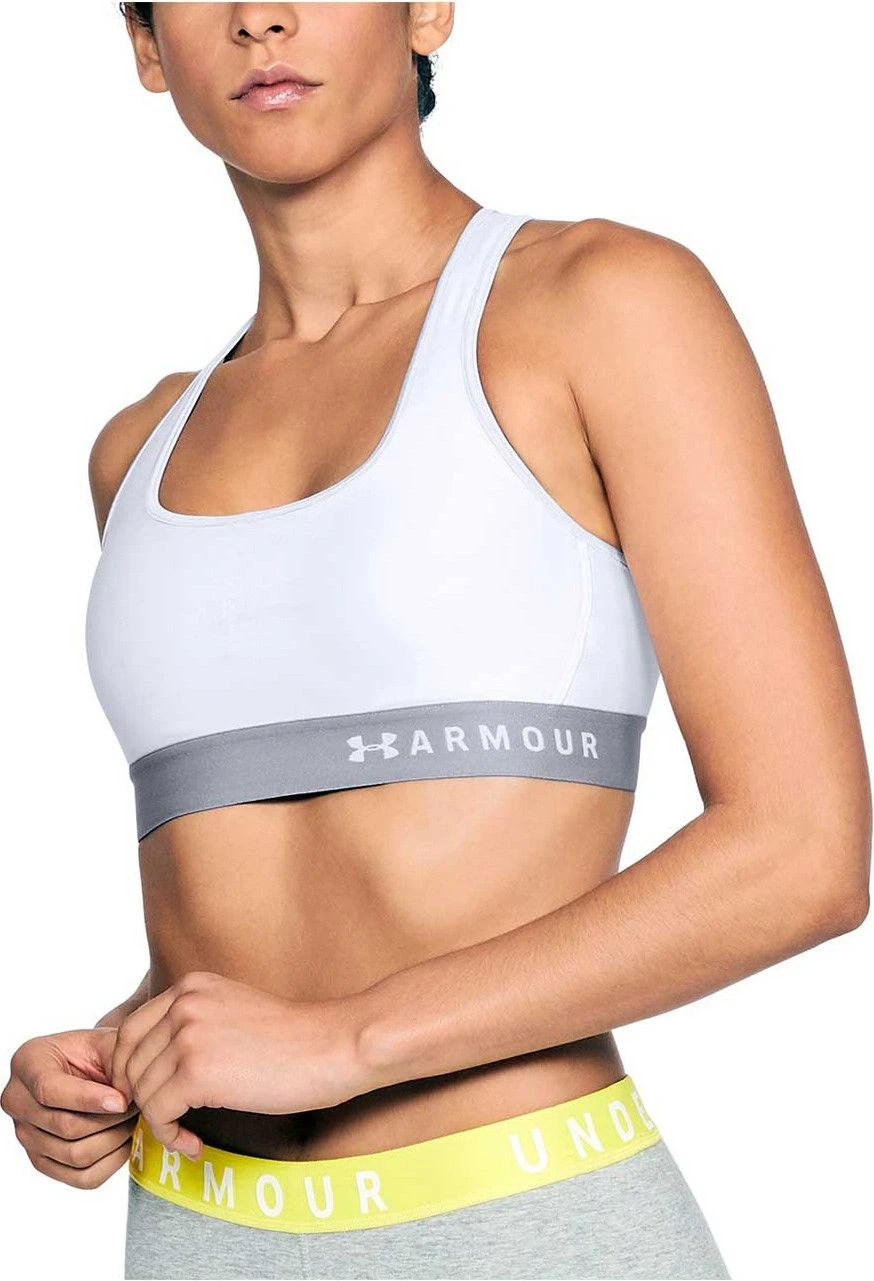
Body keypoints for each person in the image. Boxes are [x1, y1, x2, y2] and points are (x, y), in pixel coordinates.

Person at [2, 4, 870, 1279]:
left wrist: (346, 1039)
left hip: (519, 1224)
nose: (259, 17)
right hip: (195, 1233)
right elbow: (291, 889)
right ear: (146, 48)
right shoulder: (137, 451)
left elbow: (801, 853)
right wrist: (122, 1046)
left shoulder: (600, 304)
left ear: (424, 9)